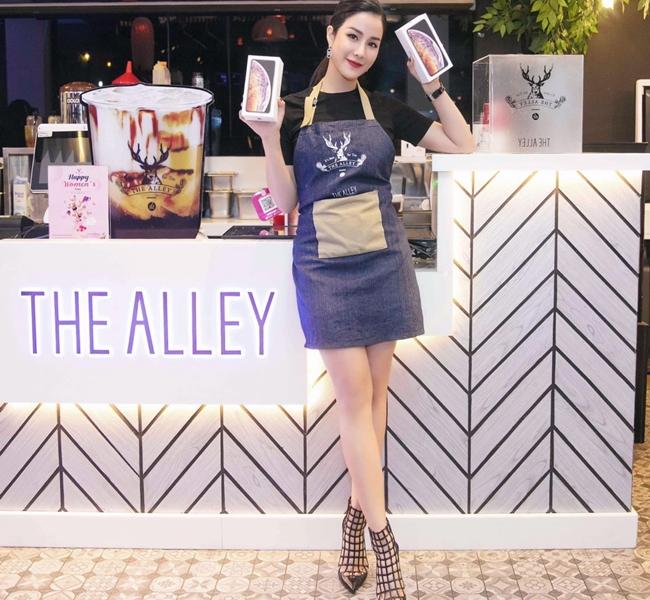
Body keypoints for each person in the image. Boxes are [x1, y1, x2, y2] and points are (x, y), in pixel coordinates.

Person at [241, 1, 474, 597]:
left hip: (383, 262)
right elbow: (285, 203)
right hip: (324, 267)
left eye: (372, 43)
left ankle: (352, 523)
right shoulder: (291, 110)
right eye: (353, 36)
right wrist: (269, 139)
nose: (361, 51)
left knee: (374, 402)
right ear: (330, 35)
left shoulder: (386, 108)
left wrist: (432, 83)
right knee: (354, 401)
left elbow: (463, 144)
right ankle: (383, 538)